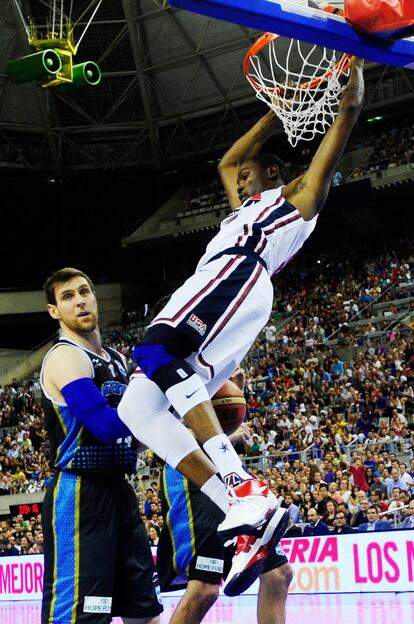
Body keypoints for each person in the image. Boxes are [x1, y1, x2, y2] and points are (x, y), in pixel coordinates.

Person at [117, 57, 365, 547]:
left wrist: (350, 92)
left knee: (152, 350)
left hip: (238, 275)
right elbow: (227, 162)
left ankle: (244, 487)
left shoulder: (295, 200)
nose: (240, 180)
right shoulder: (246, 206)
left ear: (272, 172)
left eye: (251, 175)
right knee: (137, 408)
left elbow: (348, 115)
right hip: (221, 284)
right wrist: (276, 112)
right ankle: (245, 508)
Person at [40, 268, 163, 624]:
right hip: (80, 495)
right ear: (54, 311)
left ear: (95, 298)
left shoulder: (119, 361)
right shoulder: (64, 357)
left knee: (145, 611)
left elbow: (137, 438)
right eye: (67, 297)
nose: (79, 300)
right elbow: (105, 426)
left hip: (119, 490)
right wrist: (159, 392)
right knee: (79, 617)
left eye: (85, 291)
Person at [157, 419, 293, 624]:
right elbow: (162, 431)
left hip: (228, 472)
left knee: (279, 573)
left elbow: (233, 401)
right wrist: (225, 437)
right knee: (204, 589)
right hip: (189, 469)